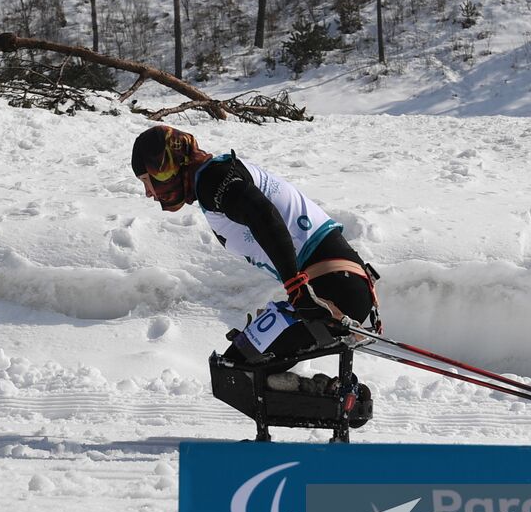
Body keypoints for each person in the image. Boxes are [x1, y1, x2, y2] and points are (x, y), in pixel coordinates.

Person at [130, 124, 380, 386]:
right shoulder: (215, 175)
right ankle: (329, 396)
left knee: (236, 374)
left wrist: (297, 290)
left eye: (147, 180)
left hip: (332, 292)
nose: (149, 192)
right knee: (240, 369)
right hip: (339, 285)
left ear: (165, 167)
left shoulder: (212, 180)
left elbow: (264, 216)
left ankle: (334, 398)